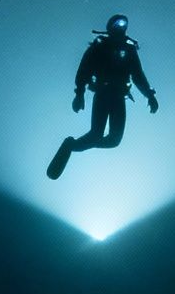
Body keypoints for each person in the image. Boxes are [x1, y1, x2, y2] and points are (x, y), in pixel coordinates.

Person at [47, 14, 158, 180]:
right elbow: (83, 71)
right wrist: (79, 94)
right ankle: (69, 145)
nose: (121, 29)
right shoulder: (99, 47)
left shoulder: (129, 50)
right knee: (96, 135)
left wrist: (150, 95)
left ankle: (73, 145)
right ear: (110, 28)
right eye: (117, 25)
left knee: (114, 140)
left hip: (119, 97)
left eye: (123, 26)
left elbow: (138, 75)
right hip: (103, 94)